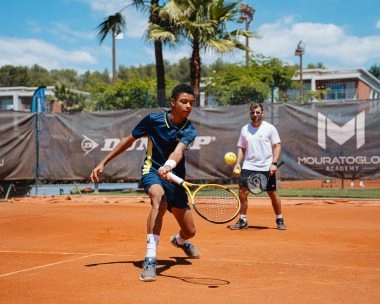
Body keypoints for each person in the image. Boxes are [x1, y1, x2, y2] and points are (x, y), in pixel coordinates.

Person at [90, 84, 200, 282]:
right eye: (184, 102)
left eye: (191, 103)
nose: (188, 106)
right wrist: (103, 162)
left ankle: (179, 241)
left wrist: (168, 165)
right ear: (173, 102)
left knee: (190, 231)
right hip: (152, 172)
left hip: (174, 179)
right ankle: (150, 258)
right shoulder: (153, 120)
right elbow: (129, 140)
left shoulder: (189, 129)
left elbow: (179, 151)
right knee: (159, 199)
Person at [229, 103, 287, 230]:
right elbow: (242, 147)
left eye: (257, 112)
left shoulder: (270, 128)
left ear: (262, 113)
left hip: (266, 166)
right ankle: (242, 220)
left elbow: (277, 145)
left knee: (272, 193)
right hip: (248, 165)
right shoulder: (245, 129)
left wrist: (274, 163)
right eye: (252, 112)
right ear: (250, 113)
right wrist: (238, 163)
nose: (255, 115)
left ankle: (280, 219)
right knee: (243, 192)